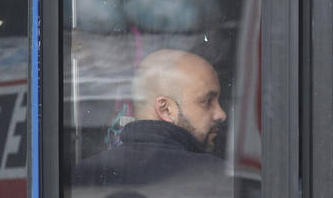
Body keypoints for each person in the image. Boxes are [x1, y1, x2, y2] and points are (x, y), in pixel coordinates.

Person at [73, 49, 228, 187]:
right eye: (207, 102)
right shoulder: (217, 177)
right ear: (166, 109)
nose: (221, 114)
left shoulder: (87, 175)